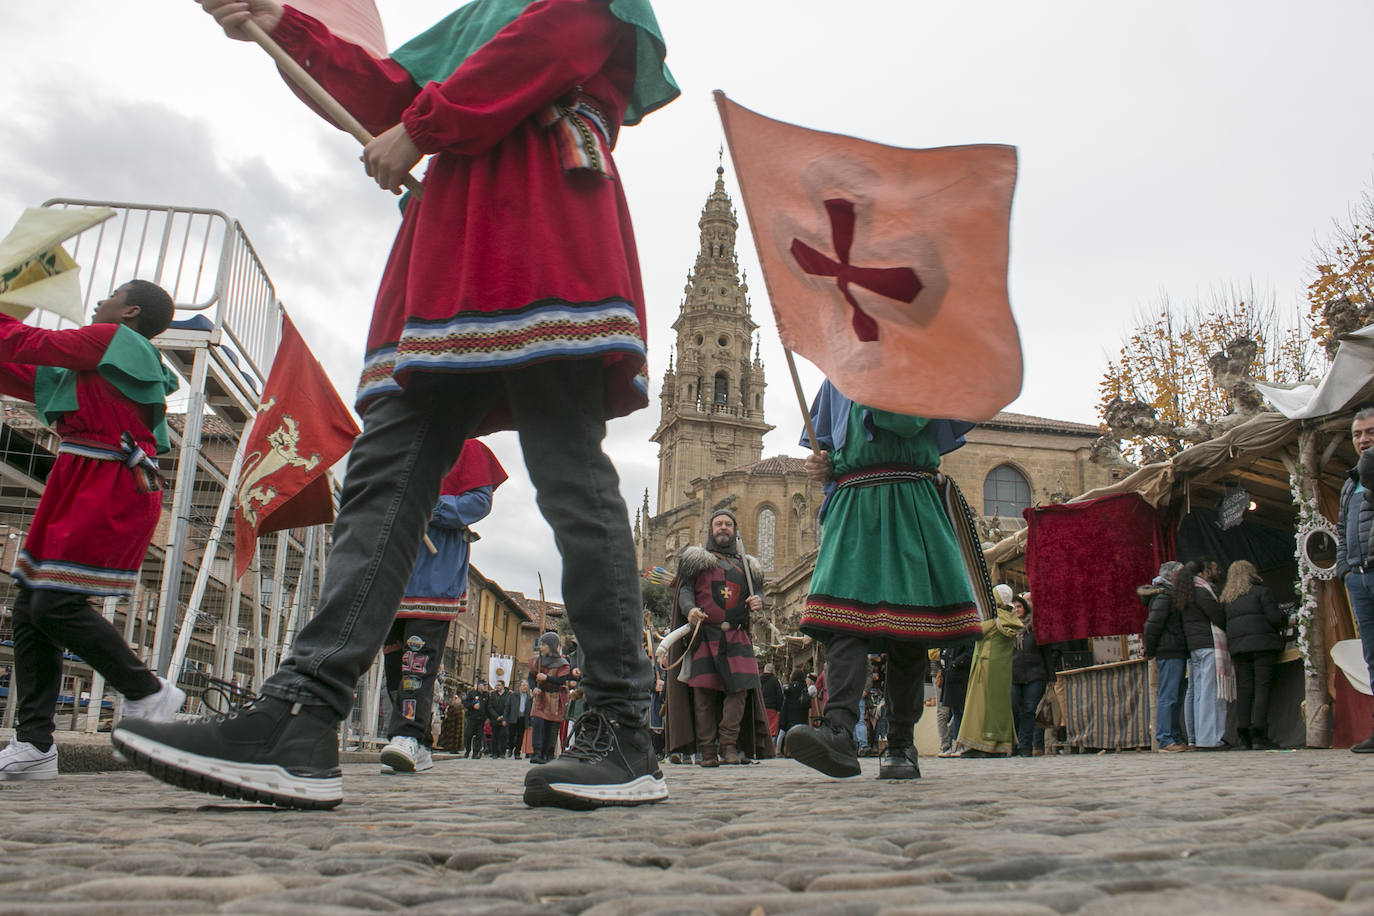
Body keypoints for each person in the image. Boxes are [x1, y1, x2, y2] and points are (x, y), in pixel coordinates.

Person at [114, 0, 679, 811]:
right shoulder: (480, 14)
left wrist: (425, 126)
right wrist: (281, 23)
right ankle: (302, 715)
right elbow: (385, 93)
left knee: (566, 472)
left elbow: (543, 46)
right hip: (452, 244)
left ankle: (623, 724)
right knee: (386, 471)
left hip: (542, 226)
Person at [0, 281, 187, 782]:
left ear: (129, 311)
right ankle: (34, 744)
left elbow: (23, 344)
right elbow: (19, 367)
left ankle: (146, 688)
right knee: (30, 604)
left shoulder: (111, 340)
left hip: (107, 479)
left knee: (53, 604)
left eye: (111, 295)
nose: (100, 300)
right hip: (83, 475)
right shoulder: (94, 359)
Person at [784, 381, 984, 779]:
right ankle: (840, 731)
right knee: (841, 622)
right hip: (852, 502)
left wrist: (869, 377)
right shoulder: (837, 374)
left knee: (908, 627)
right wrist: (826, 466)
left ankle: (899, 744)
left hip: (908, 495)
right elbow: (834, 450)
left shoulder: (909, 360)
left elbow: (908, 422)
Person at [379, 441, 506, 775]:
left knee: (416, 664)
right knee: (394, 665)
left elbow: (478, 502)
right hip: (393, 572)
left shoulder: (468, 449)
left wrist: (427, 503)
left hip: (433, 575)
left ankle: (405, 734)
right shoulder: (402, 445)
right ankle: (418, 742)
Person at [662, 510, 772, 767]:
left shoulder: (749, 565)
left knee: (739, 693)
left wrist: (759, 601)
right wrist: (689, 609)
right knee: (703, 695)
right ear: (711, 529)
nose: (723, 528)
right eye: (718, 524)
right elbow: (685, 590)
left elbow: (759, 594)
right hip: (705, 634)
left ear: (735, 529)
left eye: (728, 524)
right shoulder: (695, 560)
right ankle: (708, 751)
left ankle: (729, 745)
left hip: (737, 634)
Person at [1220, 560, 1286, 750]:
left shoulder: (1228, 599)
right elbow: (1274, 618)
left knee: (1245, 690)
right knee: (1262, 689)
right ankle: (1259, 735)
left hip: (1239, 648)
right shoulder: (1261, 592)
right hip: (1263, 645)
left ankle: (1243, 736)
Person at [1338, 407, 1374, 753]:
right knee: (1372, 654)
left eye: (1370, 432)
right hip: (1359, 578)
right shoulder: (1350, 482)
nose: (1363, 440)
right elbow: (1341, 529)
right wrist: (1344, 570)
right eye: (1357, 434)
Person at [956, 584, 1023, 757]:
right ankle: (999, 745)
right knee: (999, 707)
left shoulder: (993, 621)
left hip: (984, 669)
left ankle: (982, 745)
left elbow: (973, 631)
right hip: (1001, 671)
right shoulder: (1010, 619)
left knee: (980, 708)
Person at [1176, 560, 1229, 750]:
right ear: (1201, 573)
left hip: (1194, 647)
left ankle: (1200, 736)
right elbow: (1217, 615)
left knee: (1198, 694)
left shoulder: (1184, 594)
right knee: (1210, 694)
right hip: (1208, 644)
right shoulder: (1201, 591)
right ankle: (1211, 739)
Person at [1141, 560, 1188, 752]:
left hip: (1173, 649)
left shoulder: (1167, 595)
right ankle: (1165, 739)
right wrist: (1151, 650)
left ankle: (1174, 736)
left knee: (1175, 695)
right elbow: (1152, 626)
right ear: (1174, 576)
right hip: (1169, 650)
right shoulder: (1164, 596)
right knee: (1169, 695)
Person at [1009, 593, 1055, 758]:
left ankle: (1025, 746)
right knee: (1014, 708)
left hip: (1035, 674)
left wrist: (1051, 677)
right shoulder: (1008, 629)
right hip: (1013, 675)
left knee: (1029, 710)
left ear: (1025, 608)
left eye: (1019, 606)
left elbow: (1047, 653)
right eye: (1013, 607)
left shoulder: (1036, 627)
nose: (1017, 610)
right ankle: (1014, 744)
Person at [529, 632, 572, 764]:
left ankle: (548, 753)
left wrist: (546, 677)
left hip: (555, 698)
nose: (540, 647)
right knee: (538, 724)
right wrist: (533, 687)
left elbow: (561, 680)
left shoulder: (562, 663)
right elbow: (531, 677)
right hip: (541, 696)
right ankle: (537, 752)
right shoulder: (538, 660)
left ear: (551, 646)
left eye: (543, 644)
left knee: (551, 726)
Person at [937, 645, 973, 756]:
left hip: (961, 679)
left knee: (963, 713)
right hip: (950, 679)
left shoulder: (966, 639)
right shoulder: (950, 641)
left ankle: (964, 744)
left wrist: (954, 663)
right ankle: (956, 744)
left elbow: (969, 654)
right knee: (956, 713)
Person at [778, 668, 810, 755]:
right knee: (801, 734)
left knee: (790, 734)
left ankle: (788, 751)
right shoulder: (805, 686)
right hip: (802, 714)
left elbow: (784, 693)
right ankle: (801, 751)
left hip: (791, 714)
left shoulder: (790, 686)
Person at [461, 680, 489, 759]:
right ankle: (467, 751)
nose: (484, 687)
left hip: (481, 719)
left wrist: (487, 717)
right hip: (472, 718)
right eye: (483, 685)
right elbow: (465, 703)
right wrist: (473, 706)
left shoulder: (486, 695)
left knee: (479, 736)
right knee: (469, 734)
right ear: (479, 686)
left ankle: (476, 752)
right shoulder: (472, 693)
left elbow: (487, 706)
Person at [506, 679, 531, 758]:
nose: (525, 687)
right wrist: (505, 718)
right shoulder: (513, 695)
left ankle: (517, 752)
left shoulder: (529, 698)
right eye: (523, 685)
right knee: (511, 735)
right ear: (519, 687)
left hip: (523, 718)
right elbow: (508, 707)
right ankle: (510, 748)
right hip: (514, 717)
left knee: (520, 736)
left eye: (526, 686)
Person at [759, 662, 783, 742]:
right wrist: (779, 709)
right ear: (772, 671)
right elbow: (780, 695)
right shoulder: (775, 681)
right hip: (772, 708)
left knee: (761, 728)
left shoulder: (758, 680)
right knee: (772, 729)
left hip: (760, 707)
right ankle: (771, 749)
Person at [487, 680, 510, 758]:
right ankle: (494, 753)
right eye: (496, 685)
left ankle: (502, 753)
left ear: (503, 686)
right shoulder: (492, 694)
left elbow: (509, 707)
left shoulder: (508, 694)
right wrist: (496, 716)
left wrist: (503, 716)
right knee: (494, 736)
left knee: (503, 736)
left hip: (504, 719)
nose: (497, 687)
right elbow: (490, 707)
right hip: (495, 719)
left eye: (499, 685)